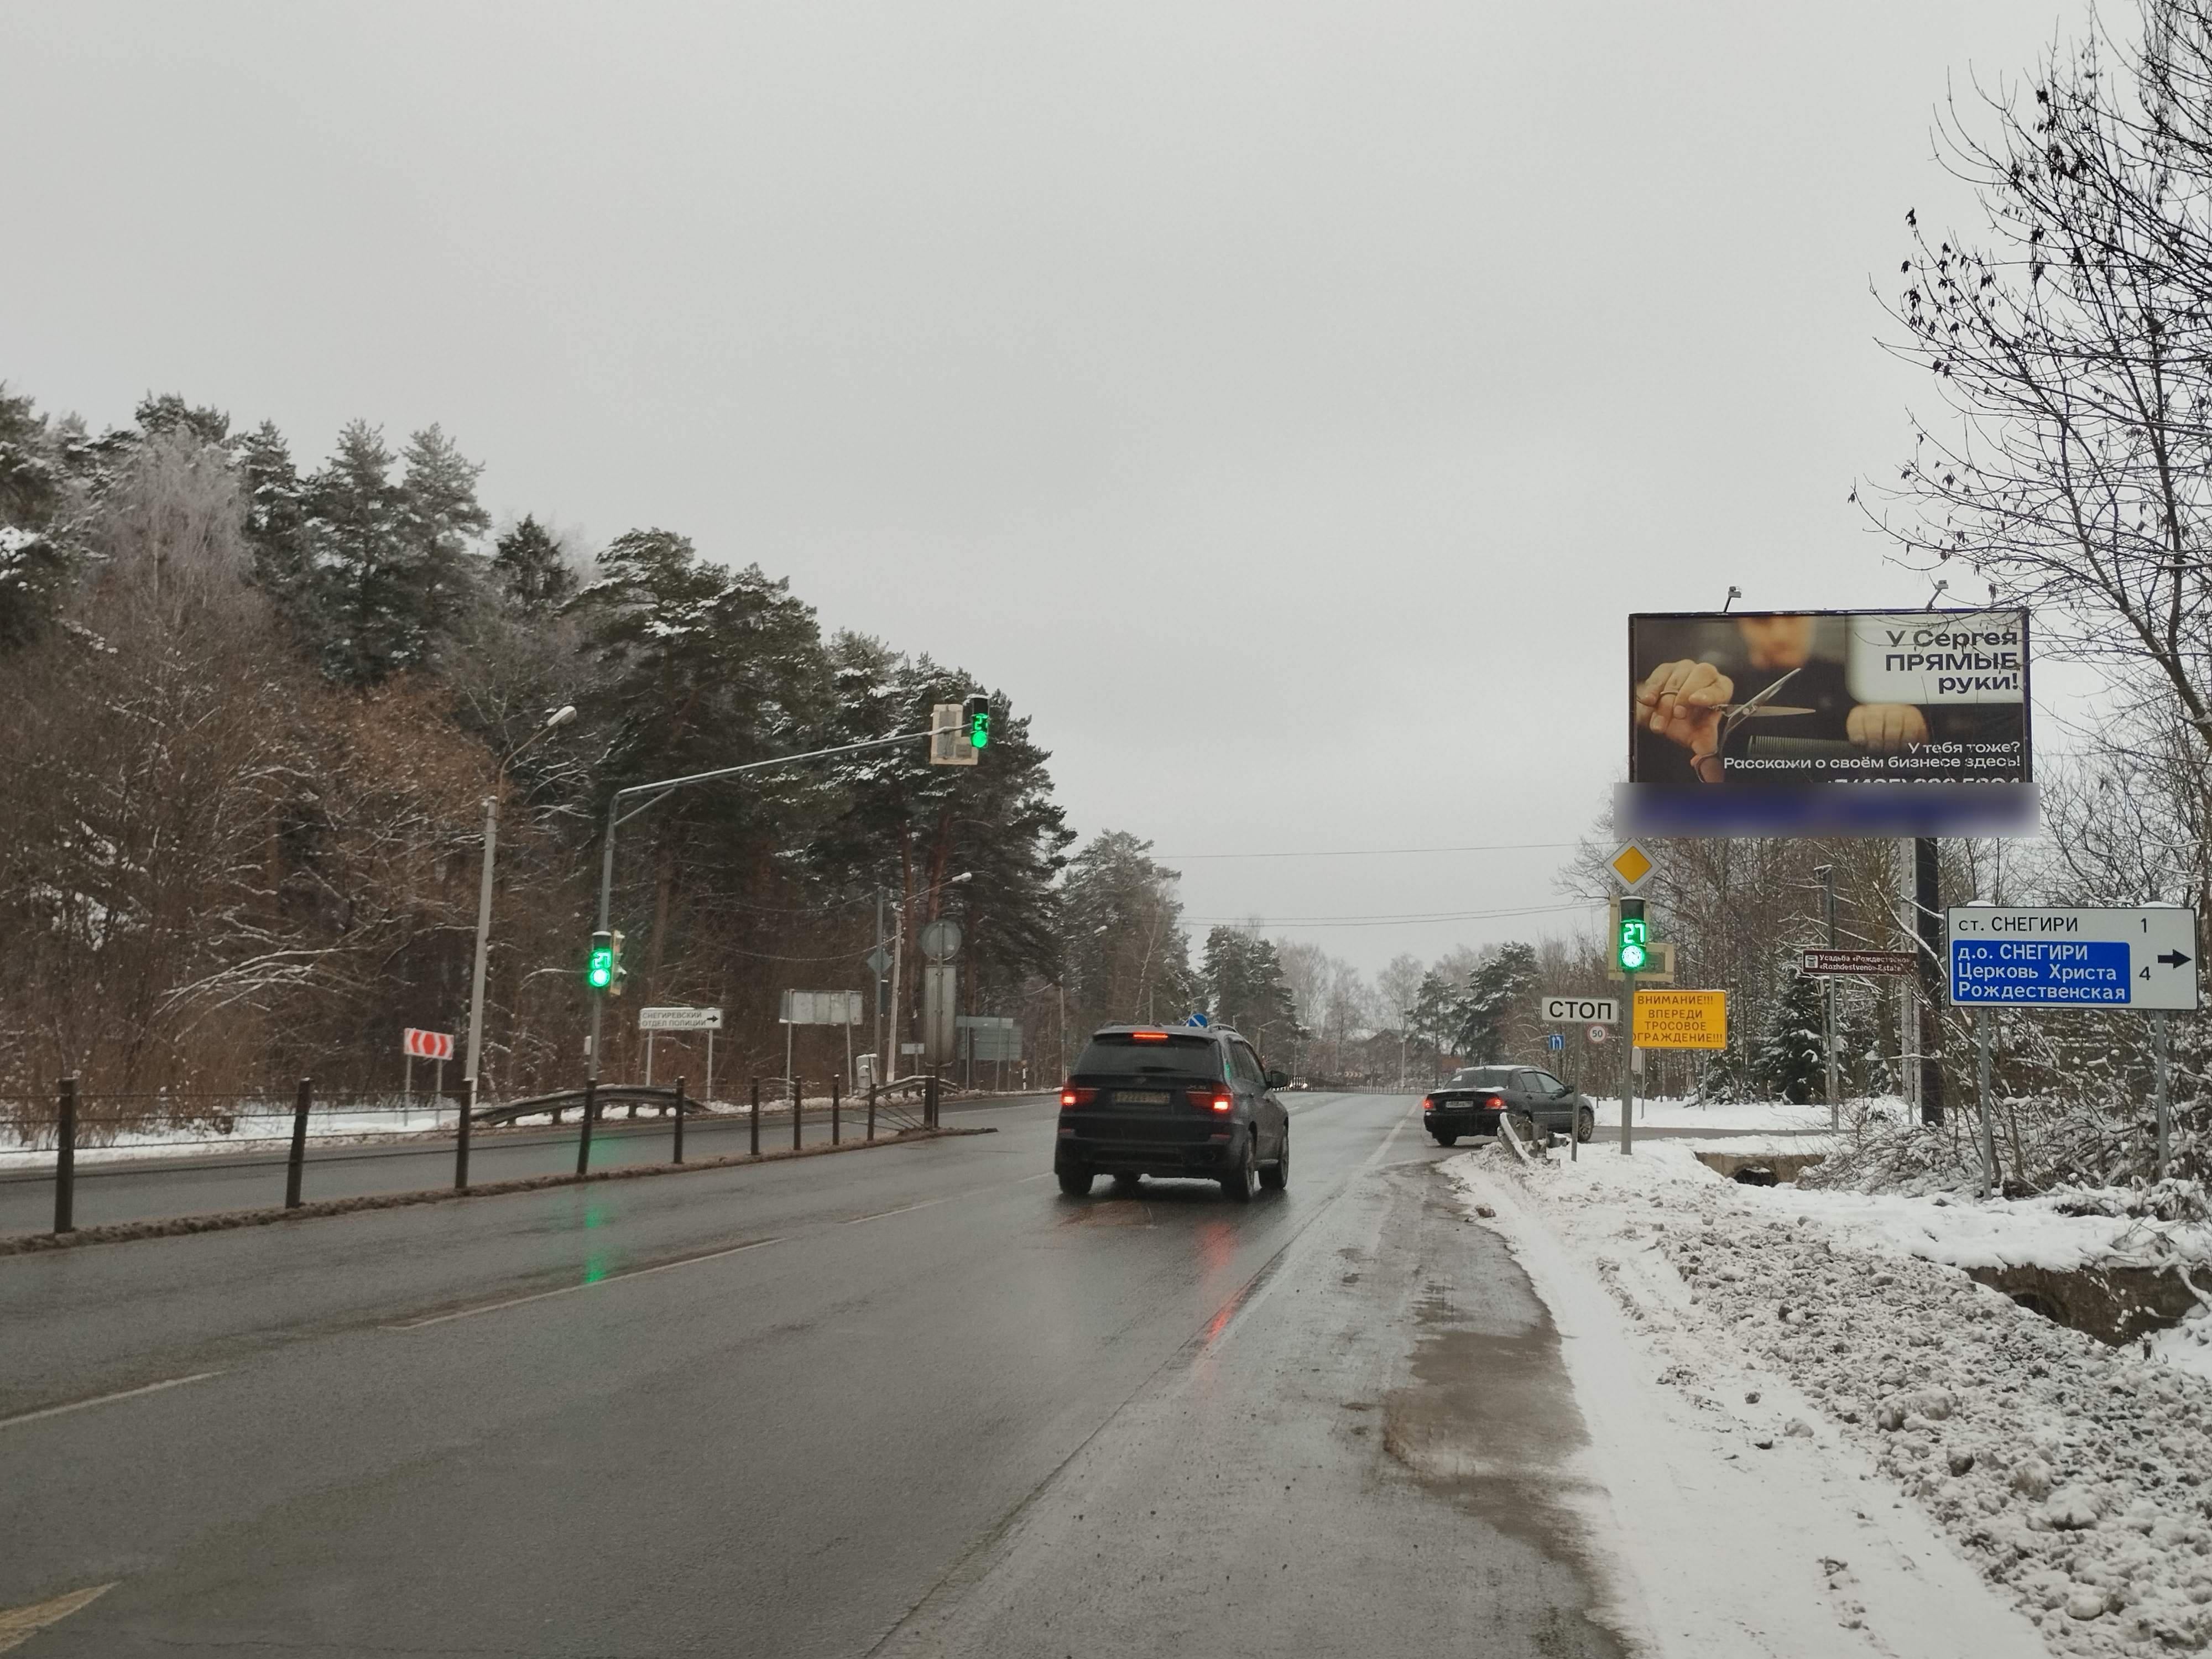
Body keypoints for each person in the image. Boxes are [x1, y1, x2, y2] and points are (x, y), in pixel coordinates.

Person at [1635, 614, 1927, 783]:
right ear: (1741, 625)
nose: (1780, 634)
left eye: (1790, 619)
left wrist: (1913, 726)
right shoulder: (1709, 697)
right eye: (1761, 621)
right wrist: (1641, 702)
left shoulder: (1863, 682)